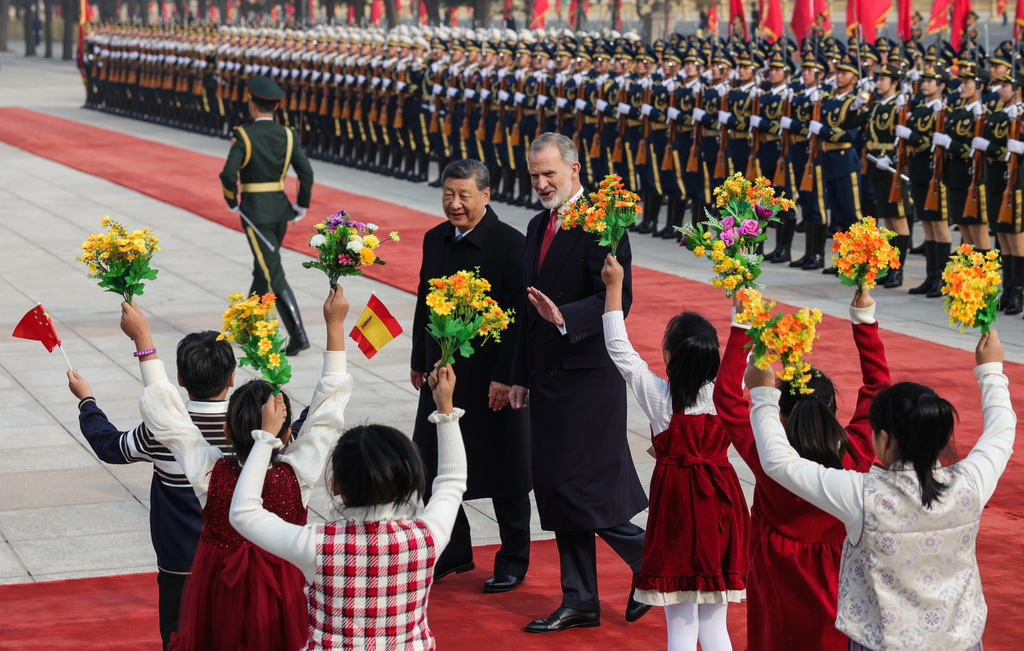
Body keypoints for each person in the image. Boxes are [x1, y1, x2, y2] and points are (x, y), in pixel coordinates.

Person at [747, 328, 1014, 651]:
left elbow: (779, 463)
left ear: (884, 439)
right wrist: (991, 371)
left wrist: (763, 394)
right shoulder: (971, 483)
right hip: (960, 642)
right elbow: (1001, 430)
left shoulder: (862, 495)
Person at [125, 288, 352, 651]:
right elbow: (327, 415)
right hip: (285, 590)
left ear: (227, 432)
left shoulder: (210, 472)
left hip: (217, 591)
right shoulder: (298, 474)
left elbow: (168, 416)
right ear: (289, 433)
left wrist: (144, 341)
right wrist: (335, 326)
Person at [510, 132, 650, 633]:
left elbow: (618, 297)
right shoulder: (535, 224)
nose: (542, 183)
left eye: (550, 173)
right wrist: (518, 378)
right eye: (535, 175)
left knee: (585, 489)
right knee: (556, 487)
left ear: (574, 170)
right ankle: (581, 599)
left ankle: (652, 565)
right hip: (545, 377)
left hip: (588, 376)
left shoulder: (604, 222)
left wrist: (563, 316)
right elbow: (527, 312)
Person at [229, 364, 466, 649]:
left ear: (335, 486)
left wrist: (266, 437)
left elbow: (244, 513)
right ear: (407, 481)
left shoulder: (317, 544)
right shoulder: (426, 538)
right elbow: (452, 481)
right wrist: (446, 409)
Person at [713, 286, 888, 650]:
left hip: (780, 580)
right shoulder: (856, 452)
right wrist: (864, 321)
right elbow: (877, 389)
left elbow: (728, 398)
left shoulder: (768, 458)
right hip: (843, 579)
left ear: (779, 412)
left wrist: (743, 324)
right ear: (833, 410)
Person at [601, 254, 748, 651]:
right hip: (721, 505)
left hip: (678, 510)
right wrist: (741, 301)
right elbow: (743, 349)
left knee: (680, 625)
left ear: (668, 355)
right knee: (716, 625)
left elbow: (619, 349)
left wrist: (613, 287)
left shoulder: (660, 397)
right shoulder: (728, 396)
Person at [66, 332, 236, 650]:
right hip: (237, 562)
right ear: (232, 377)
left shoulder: (162, 430)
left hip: (179, 564)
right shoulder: (248, 427)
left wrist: (87, 402)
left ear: (181, 379)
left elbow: (110, 446)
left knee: (177, 638)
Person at [409, 159, 532, 592]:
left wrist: (506, 375)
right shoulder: (434, 239)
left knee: (506, 470)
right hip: (442, 376)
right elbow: (424, 304)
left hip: (490, 380)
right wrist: (419, 359)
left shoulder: (510, 245)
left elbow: (518, 321)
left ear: (487, 195)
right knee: (426, 461)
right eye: (448, 194)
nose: (455, 204)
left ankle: (514, 558)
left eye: (464, 195)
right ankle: (454, 549)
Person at [219, 74, 314, 356]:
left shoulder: (244, 135)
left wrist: (231, 201)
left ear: (252, 105)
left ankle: (298, 334)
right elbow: (306, 173)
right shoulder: (288, 134)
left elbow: (227, 173)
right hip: (281, 209)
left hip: (255, 213)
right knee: (265, 267)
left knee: (272, 271)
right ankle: (247, 326)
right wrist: (302, 205)